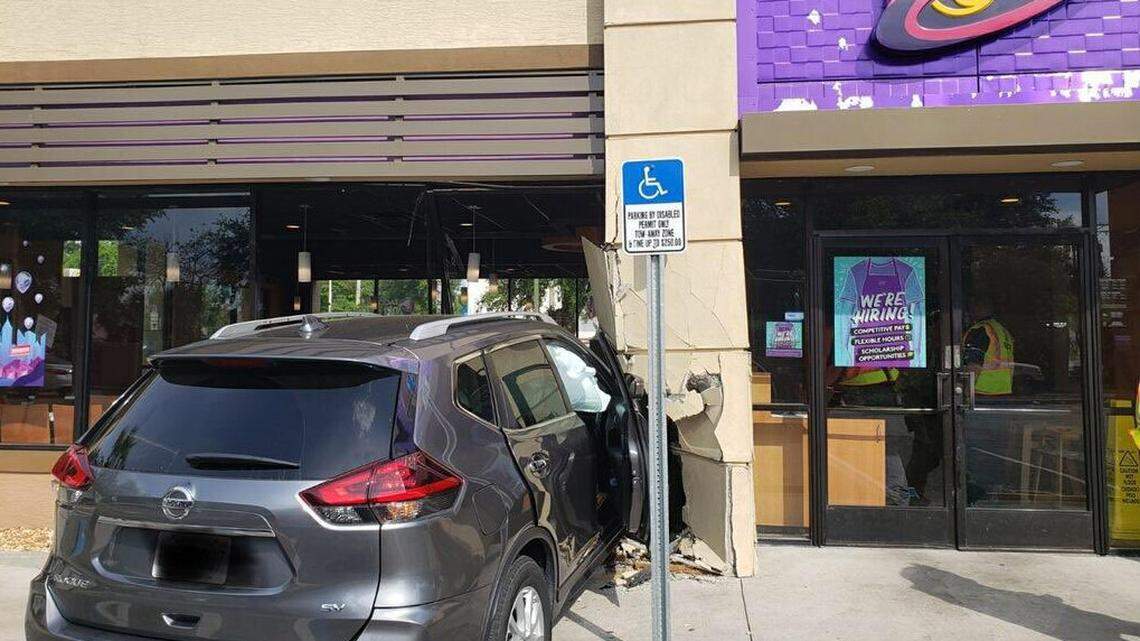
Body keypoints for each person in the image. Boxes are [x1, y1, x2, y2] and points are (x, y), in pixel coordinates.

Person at [962, 299, 1015, 396]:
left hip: (980, 392)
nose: (969, 312)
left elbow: (973, 365)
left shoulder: (981, 330)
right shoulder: (1002, 331)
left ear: (978, 308)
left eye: (971, 307)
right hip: (1002, 391)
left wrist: (966, 394)